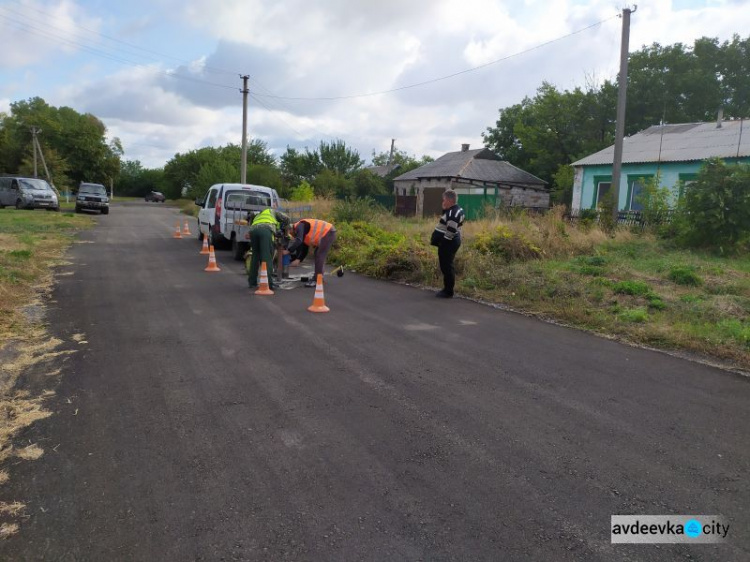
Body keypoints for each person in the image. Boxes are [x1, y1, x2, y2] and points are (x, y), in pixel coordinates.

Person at [432, 189, 464, 298]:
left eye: (444, 199)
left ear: (449, 200)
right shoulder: (454, 210)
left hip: (449, 243)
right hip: (451, 241)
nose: (443, 201)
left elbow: (451, 230)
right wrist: (445, 209)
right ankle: (447, 288)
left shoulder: (453, 212)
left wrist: (443, 243)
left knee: (447, 266)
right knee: (446, 265)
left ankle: (448, 291)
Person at [247, 207, 290, 291]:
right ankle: (269, 284)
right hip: (265, 230)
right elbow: (287, 218)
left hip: (253, 231)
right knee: (267, 258)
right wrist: (285, 233)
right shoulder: (273, 212)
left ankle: (252, 282)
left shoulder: (258, 214)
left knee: (255, 256)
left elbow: (251, 221)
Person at [286, 218, 337, 287]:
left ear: (291, 229)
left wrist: (288, 251)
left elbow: (298, 241)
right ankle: (318, 277)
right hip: (328, 232)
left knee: (320, 255)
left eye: (290, 233)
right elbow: (305, 248)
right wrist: (298, 260)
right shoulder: (301, 229)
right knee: (317, 254)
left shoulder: (300, 226)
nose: (292, 235)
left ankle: (317, 280)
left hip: (328, 232)